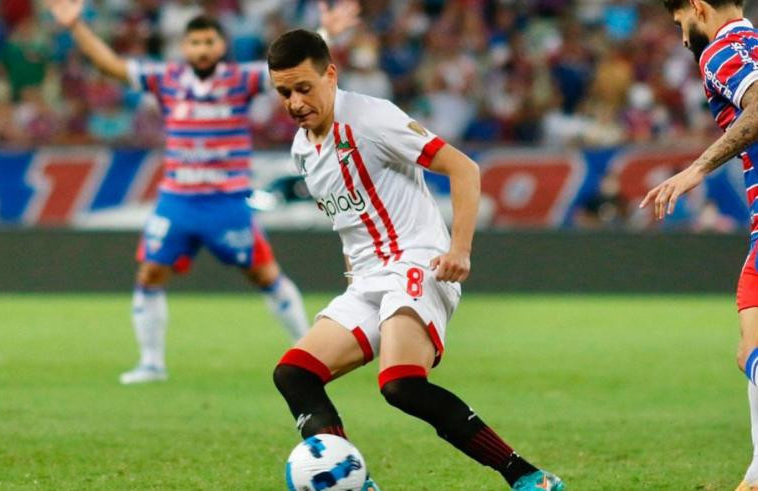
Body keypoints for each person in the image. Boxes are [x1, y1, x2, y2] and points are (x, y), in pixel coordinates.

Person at [267, 29, 565, 490]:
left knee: (401, 384)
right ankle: (354, 482)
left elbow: (463, 167)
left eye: (303, 88)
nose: (294, 102)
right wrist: (353, 262)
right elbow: (351, 216)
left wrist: (460, 248)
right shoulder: (303, 150)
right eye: (284, 92)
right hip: (367, 280)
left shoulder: (370, 118)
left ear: (330, 74)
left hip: (419, 263)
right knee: (294, 373)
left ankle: (527, 477)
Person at [46, 0, 360, 385]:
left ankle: (309, 350)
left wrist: (325, 34)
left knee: (265, 274)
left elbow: (293, 71)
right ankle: (151, 363)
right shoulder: (167, 79)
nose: (202, 49)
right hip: (177, 201)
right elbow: (112, 66)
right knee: (149, 274)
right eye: (195, 42)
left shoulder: (240, 79)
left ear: (221, 45)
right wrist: (76, 25)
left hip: (225, 203)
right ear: (184, 47)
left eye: (209, 41)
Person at [642, 1, 758, 489]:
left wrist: (697, 168)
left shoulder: (722, 49)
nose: (683, 37)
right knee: (750, 351)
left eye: (679, 24)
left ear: (697, 8)